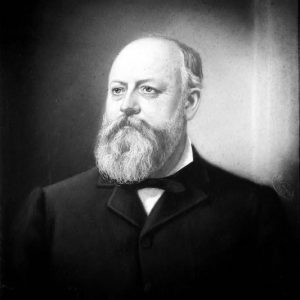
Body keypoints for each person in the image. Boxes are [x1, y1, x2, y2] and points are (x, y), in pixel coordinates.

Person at [10, 36, 289, 300]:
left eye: (148, 90)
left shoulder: (254, 208)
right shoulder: (50, 207)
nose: (127, 106)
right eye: (118, 90)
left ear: (189, 102)